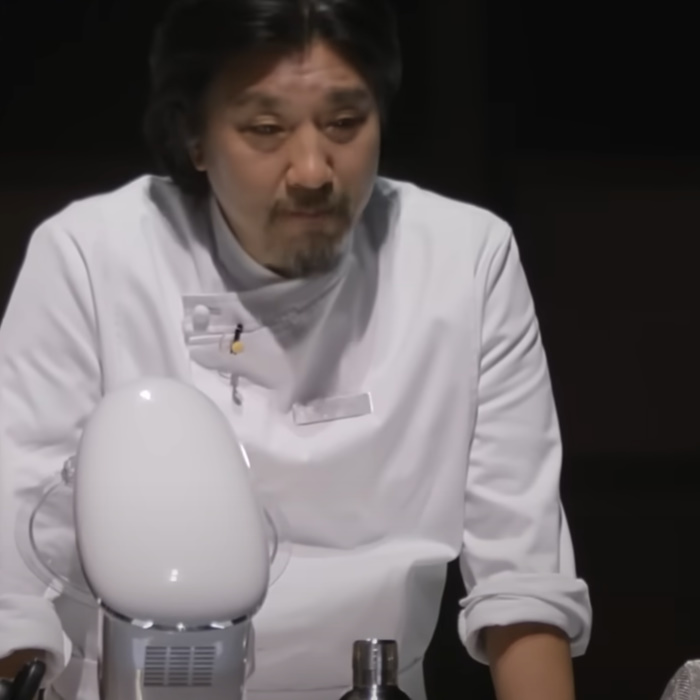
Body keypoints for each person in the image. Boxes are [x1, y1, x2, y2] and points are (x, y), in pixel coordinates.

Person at [0, 0, 592, 699]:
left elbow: (522, 580)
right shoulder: (93, 256)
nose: (312, 171)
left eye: (344, 123)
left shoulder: (464, 257)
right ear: (193, 136)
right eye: (266, 129)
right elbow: (13, 569)